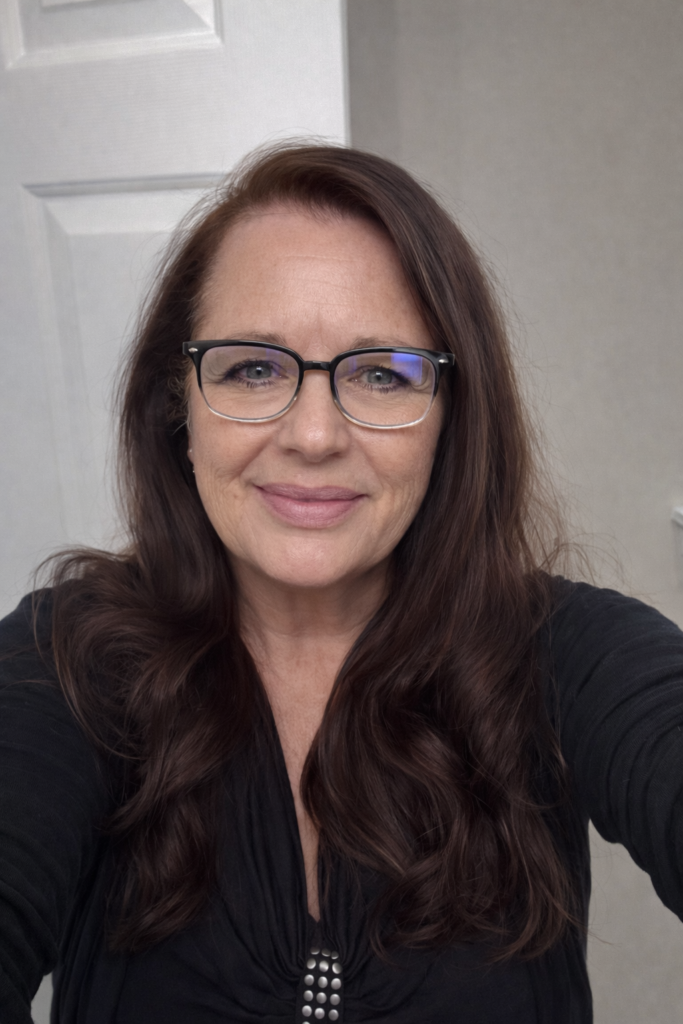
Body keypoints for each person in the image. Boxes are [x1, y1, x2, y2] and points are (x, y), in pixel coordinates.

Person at [1, 143, 682, 1024]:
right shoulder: (64, 660)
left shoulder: (567, 654)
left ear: (449, 417)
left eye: (381, 374)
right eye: (253, 368)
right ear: (179, 404)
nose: (314, 436)